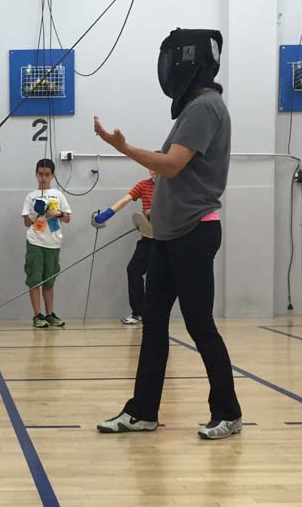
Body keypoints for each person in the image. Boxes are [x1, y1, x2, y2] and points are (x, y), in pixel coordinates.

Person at [94, 28, 242, 440]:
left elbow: (172, 165)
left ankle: (228, 413)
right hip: (168, 236)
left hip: (193, 233)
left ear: (187, 63)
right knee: (154, 322)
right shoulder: (193, 108)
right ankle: (142, 412)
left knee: (199, 325)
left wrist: (123, 148)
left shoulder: (205, 108)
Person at [91, 169, 157, 324]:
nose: (153, 170)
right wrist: (105, 215)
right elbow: (125, 200)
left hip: (166, 240)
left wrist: (151, 214)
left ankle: (155, 314)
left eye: (156, 166)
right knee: (134, 270)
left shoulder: (172, 186)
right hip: (147, 238)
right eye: (151, 166)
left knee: (158, 277)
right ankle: (138, 313)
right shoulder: (143, 185)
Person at [21, 158, 71, 328]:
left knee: (49, 281)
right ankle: (37, 315)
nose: (43, 178)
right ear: (36, 174)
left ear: (52, 176)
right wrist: (36, 211)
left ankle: (50, 314)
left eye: (47, 175)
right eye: (40, 174)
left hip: (53, 243)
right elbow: (27, 223)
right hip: (35, 242)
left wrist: (55, 213)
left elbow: (67, 218)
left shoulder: (58, 195)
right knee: (35, 279)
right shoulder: (31, 196)